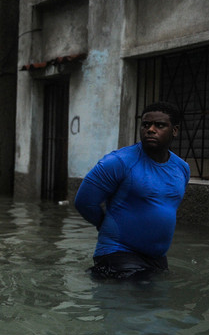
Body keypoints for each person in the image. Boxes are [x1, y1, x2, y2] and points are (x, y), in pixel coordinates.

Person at [74, 101, 190, 279]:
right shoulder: (118, 162)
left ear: (174, 130)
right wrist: (103, 224)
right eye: (145, 125)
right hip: (118, 252)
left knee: (156, 302)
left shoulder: (182, 168)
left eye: (159, 125)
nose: (150, 129)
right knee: (136, 300)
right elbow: (84, 201)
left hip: (156, 258)